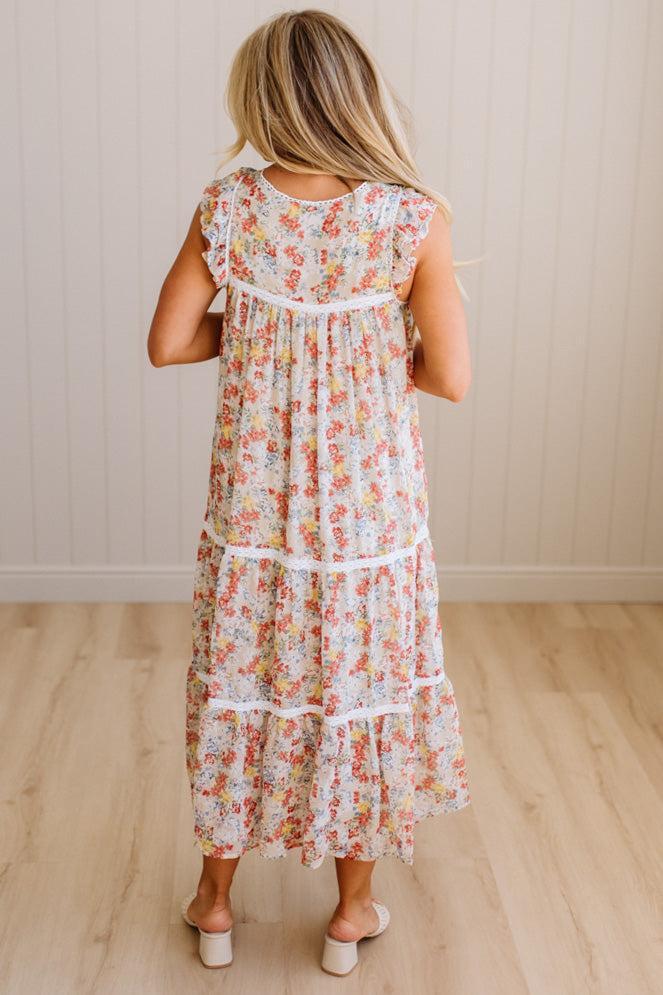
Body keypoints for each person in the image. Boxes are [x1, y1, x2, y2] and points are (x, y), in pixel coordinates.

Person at [148, 7, 472, 977]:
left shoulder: (231, 208)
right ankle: (351, 910)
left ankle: (214, 903)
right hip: (367, 518)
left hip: (256, 514)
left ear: (261, 102)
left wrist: (258, 337)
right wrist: (371, 350)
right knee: (356, 691)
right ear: (357, 97)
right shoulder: (410, 217)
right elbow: (452, 375)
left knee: (246, 685)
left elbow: (167, 342)